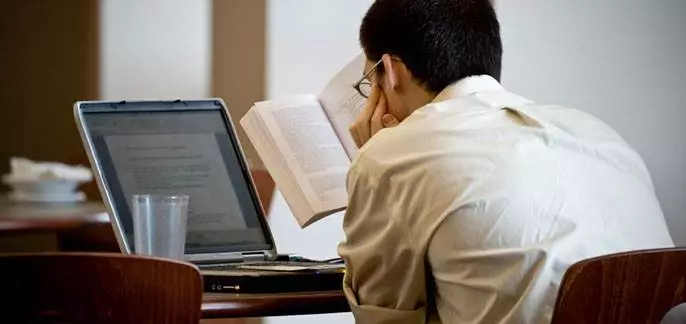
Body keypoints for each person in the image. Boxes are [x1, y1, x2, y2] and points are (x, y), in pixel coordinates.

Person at [338, 0, 675, 323]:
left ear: (392, 71)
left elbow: (381, 315)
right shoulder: (597, 132)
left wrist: (377, 155)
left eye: (371, 81)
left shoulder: (392, 154)